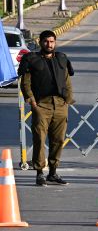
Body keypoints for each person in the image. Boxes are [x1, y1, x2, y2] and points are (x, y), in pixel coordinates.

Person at [17, 30, 75, 186]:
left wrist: (68, 100)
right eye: (46, 41)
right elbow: (26, 83)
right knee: (40, 139)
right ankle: (40, 173)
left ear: (55, 42)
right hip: (41, 105)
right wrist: (32, 102)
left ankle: (53, 172)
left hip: (60, 104)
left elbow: (67, 81)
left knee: (58, 140)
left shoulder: (61, 59)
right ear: (40, 42)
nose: (49, 44)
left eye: (52, 41)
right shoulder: (32, 60)